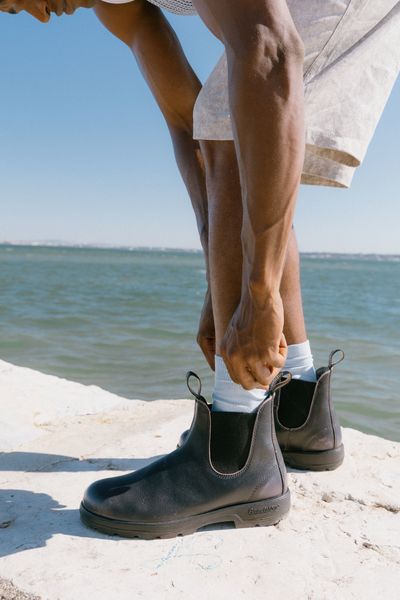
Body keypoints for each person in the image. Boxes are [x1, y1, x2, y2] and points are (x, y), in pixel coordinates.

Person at [3, 0, 399, 539]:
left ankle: (235, 453)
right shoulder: (117, 9)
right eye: (11, 13)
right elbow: (188, 123)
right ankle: (297, 409)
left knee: (235, 116)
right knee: (225, 124)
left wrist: (259, 293)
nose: (32, 16)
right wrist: (221, 273)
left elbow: (269, 51)